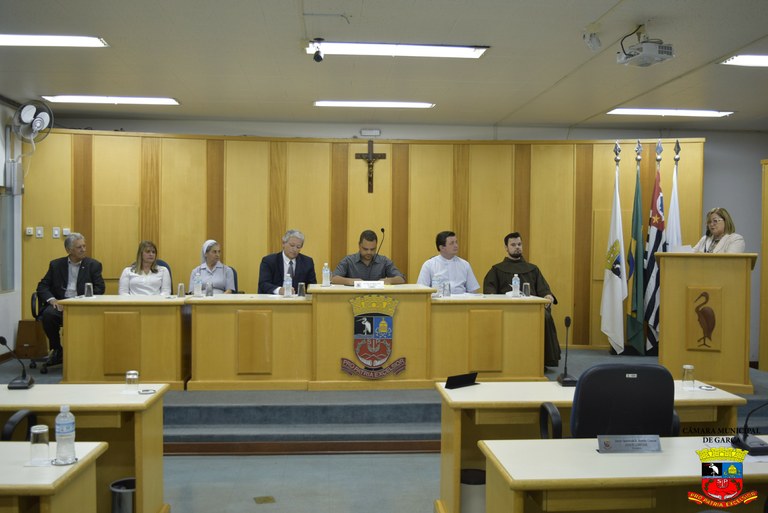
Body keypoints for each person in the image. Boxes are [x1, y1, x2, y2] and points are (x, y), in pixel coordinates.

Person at [483, 232, 561, 368]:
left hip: (532, 308)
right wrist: (492, 295)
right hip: (506, 309)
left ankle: (541, 361)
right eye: (513, 245)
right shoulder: (496, 269)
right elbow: (489, 290)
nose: (517, 247)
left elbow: (543, 289)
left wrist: (548, 295)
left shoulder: (533, 269)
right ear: (506, 248)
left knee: (545, 317)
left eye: (519, 244)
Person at [36, 232, 105, 366]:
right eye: (79, 247)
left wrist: (82, 299)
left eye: (84, 246)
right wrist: (52, 300)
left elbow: (100, 288)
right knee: (48, 315)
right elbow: (42, 286)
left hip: (82, 305)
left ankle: (86, 352)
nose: (83, 249)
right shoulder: (56, 265)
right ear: (69, 250)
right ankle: (57, 350)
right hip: (61, 304)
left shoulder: (93, 265)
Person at [332, 229, 405, 285]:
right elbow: (333, 278)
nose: (369, 252)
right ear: (359, 246)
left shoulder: (384, 261)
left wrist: (388, 280)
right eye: (365, 249)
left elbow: (401, 279)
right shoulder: (348, 261)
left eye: (372, 249)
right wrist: (352, 281)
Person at [258, 229, 317, 294]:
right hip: (274, 298)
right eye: (292, 245)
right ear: (283, 243)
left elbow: (312, 286)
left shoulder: (307, 262)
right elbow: (263, 284)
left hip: (297, 299)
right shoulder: (269, 261)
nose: (294, 249)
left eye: (298, 247)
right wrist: (279, 290)